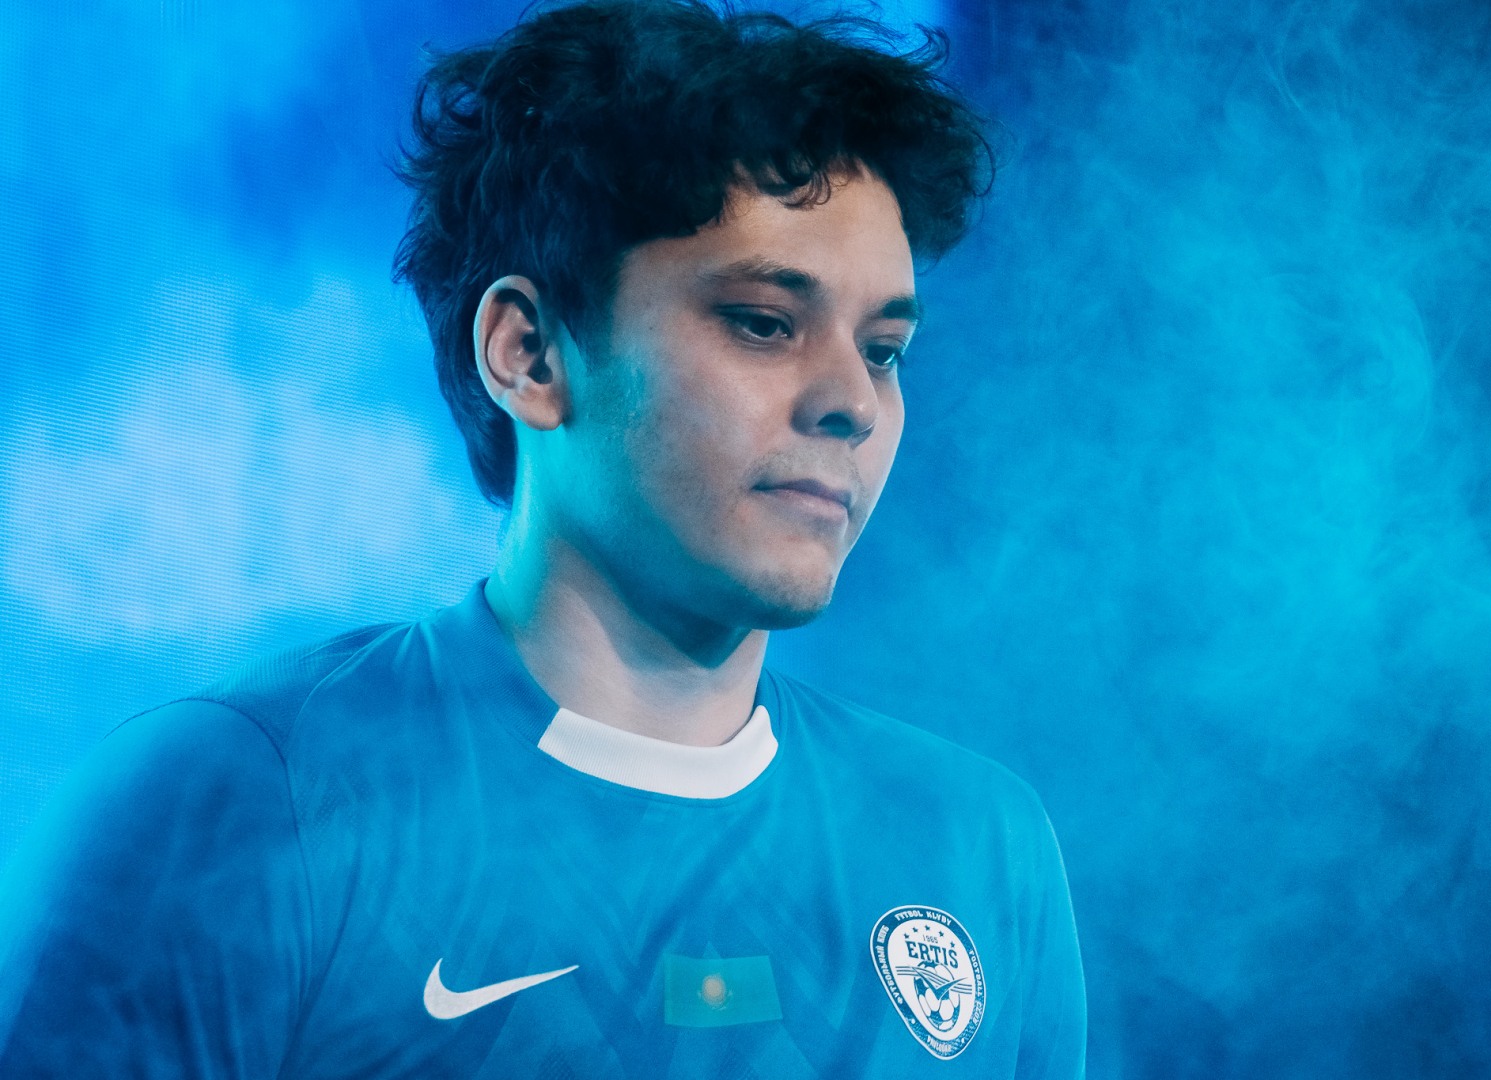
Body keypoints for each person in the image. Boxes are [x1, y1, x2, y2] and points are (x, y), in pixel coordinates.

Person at [0, 1, 1086, 1076]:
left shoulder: (978, 844)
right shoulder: (234, 806)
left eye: (884, 350)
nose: (852, 401)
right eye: (765, 322)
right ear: (529, 354)